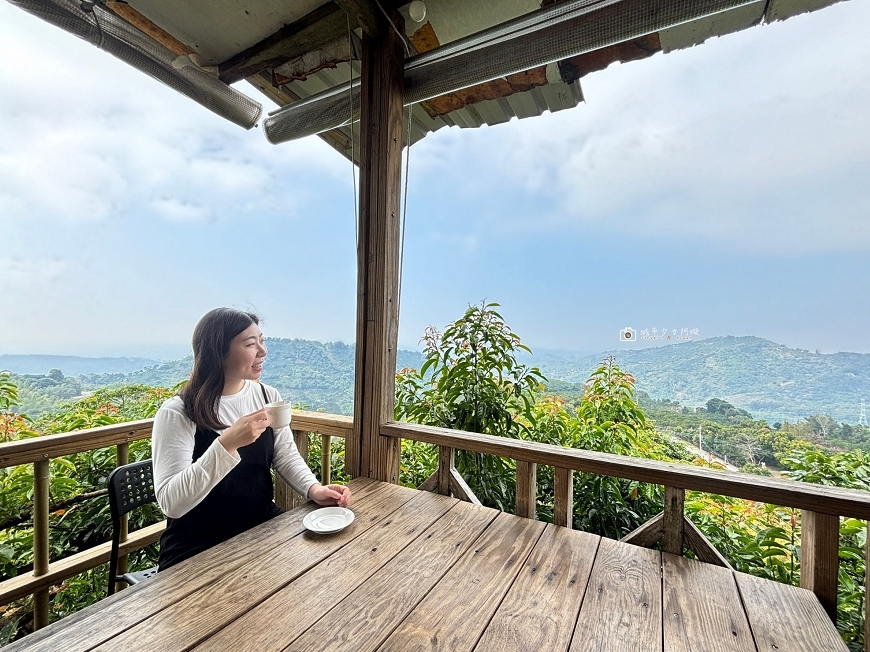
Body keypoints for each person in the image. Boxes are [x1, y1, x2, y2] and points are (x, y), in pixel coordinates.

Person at [152, 307, 351, 570]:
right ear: (218, 352)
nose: (262, 351)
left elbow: (286, 455)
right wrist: (226, 444)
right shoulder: (178, 412)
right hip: (198, 544)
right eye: (250, 344)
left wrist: (314, 489)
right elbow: (171, 502)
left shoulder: (268, 396)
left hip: (261, 526)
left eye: (261, 340)